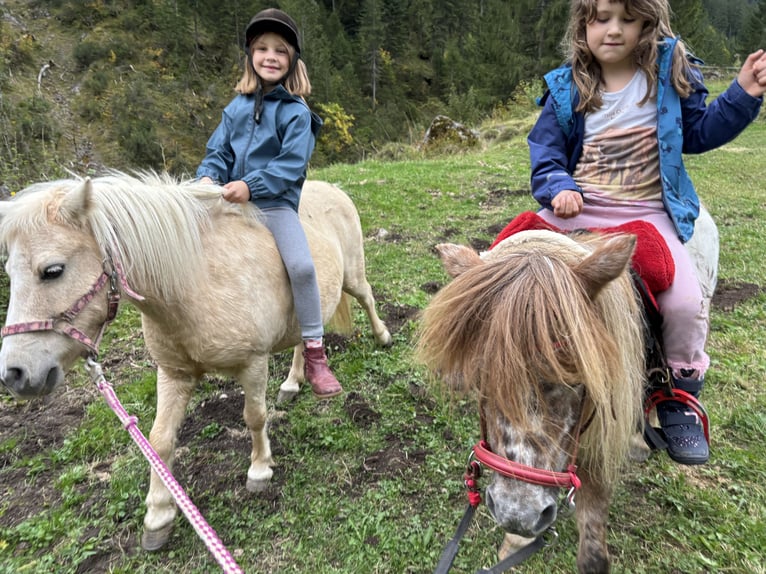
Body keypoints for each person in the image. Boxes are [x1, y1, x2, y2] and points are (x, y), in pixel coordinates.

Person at [527, 0, 766, 464]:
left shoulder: (668, 76)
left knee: (684, 302)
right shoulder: (565, 87)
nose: (613, 30)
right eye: (601, 18)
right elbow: (546, 153)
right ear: (583, 25)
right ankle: (494, 353)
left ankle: (676, 395)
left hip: (647, 209)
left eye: (627, 19)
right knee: (506, 259)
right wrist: (558, 186)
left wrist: (742, 93)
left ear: (647, 25)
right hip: (582, 206)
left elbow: (699, 132)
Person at [196, 8, 342, 399]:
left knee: (302, 266)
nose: (270, 57)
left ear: (293, 59)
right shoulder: (235, 108)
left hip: (274, 205)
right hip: (229, 201)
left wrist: (250, 185)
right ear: (250, 56)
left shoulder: (298, 114)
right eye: (262, 49)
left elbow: (290, 166)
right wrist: (209, 175)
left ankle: (314, 351)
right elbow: (217, 150)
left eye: (280, 50)